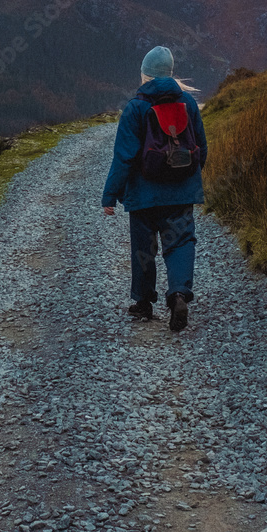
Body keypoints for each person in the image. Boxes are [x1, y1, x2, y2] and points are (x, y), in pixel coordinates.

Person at [101, 46, 208, 332]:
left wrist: (110, 195)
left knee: (143, 250)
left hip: (144, 195)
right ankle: (179, 294)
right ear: (171, 74)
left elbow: (123, 157)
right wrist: (191, 180)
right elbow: (201, 147)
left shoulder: (135, 108)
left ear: (145, 75)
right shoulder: (188, 103)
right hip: (181, 192)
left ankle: (144, 303)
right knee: (181, 242)